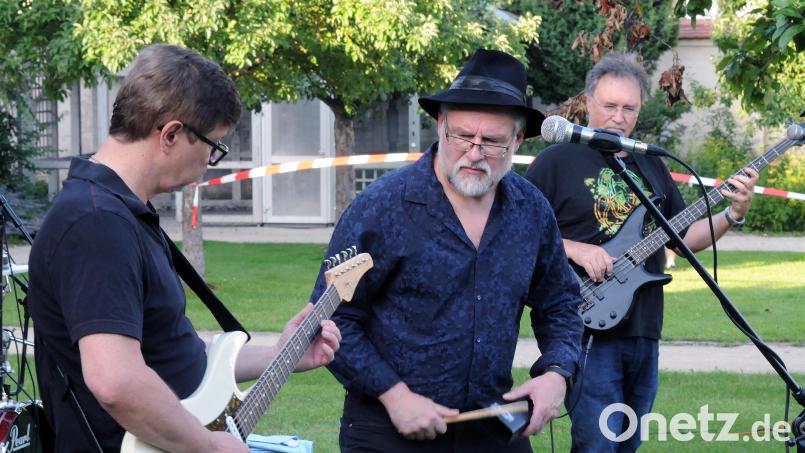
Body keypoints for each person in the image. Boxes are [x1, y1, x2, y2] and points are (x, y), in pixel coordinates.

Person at [27, 44, 341, 453]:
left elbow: (174, 355)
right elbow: (116, 380)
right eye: (215, 145)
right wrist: (208, 446)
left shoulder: (124, 213)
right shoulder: (96, 222)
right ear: (172, 133)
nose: (212, 159)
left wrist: (281, 355)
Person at [308, 49, 583, 452]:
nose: (474, 153)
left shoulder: (532, 210)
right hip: (387, 431)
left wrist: (557, 373)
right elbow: (333, 319)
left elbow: (560, 304)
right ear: (440, 125)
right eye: (462, 136)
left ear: (518, 139)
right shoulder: (383, 206)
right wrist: (394, 395)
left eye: (491, 142)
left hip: (492, 424)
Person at [525, 52, 758, 452]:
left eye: (628, 107)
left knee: (628, 444)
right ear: (588, 102)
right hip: (584, 328)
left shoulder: (651, 163)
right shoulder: (555, 161)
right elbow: (521, 233)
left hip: (645, 330)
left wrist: (732, 215)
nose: (618, 116)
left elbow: (683, 239)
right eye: (609, 105)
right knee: (597, 445)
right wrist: (576, 249)